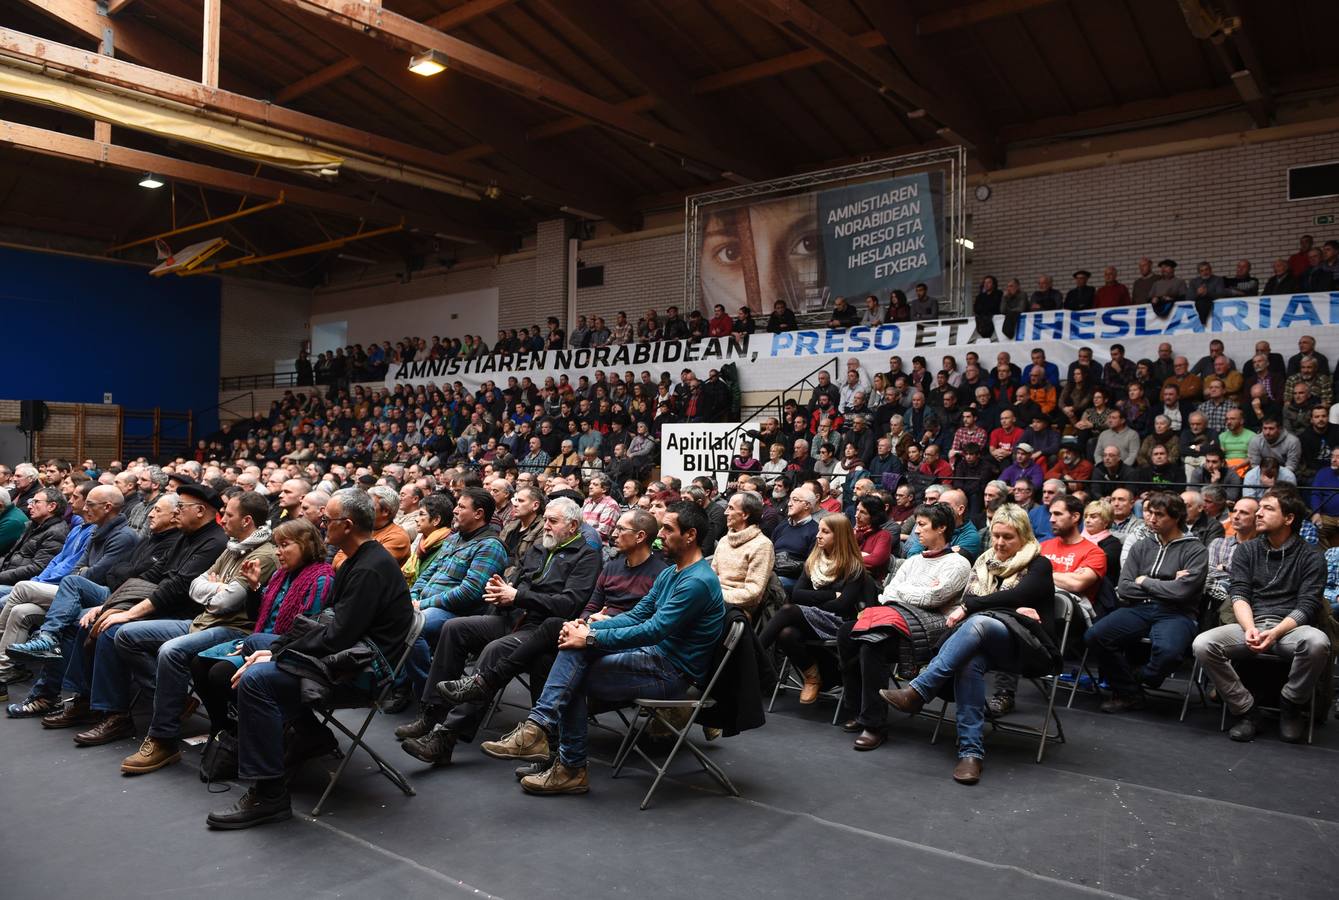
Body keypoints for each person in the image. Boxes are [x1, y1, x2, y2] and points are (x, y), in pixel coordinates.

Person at [477, 501, 724, 797]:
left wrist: (590, 638)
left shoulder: (697, 581)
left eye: (668, 530)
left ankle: (559, 754)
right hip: (651, 657)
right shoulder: (671, 573)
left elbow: (654, 629)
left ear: (690, 535)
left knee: (574, 666)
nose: (661, 536)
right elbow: (635, 615)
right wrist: (586, 629)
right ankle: (553, 749)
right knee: (572, 651)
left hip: (671, 672)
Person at [205, 488, 414, 829]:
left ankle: (269, 795)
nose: (321, 524)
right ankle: (306, 732)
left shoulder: (369, 568)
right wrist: (273, 650)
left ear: (346, 525)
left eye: (327, 520)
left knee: (257, 680)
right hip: (347, 653)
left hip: (360, 670)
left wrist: (278, 655)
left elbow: (337, 637)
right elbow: (328, 625)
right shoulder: (355, 559)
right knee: (256, 641)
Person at [435, 509, 669, 778]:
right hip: (590, 629)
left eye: (621, 529)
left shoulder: (658, 574)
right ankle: (552, 753)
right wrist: (581, 622)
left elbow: (646, 621)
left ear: (640, 536)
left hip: (620, 638)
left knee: (550, 627)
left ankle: (487, 684)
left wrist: (597, 622)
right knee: (543, 658)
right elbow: (592, 602)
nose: (614, 532)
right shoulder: (613, 565)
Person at [398, 497, 600, 766]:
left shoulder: (586, 555)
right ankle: (432, 713)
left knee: (495, 650)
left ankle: (445, 737)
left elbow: (569, 604)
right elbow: (517, 584)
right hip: (514, 617)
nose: (546, 527)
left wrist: (517, 596)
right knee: (454, 628)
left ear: (573, 525)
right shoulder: (540, 546)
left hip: (544, 627)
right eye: (547, 521)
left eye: (553, 522)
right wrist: (500, 591)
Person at [95, 492, 279, 772]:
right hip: (203, 620)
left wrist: (213, 589)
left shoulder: (263, 555)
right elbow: (196, 586)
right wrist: (214, 589)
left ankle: (163, 738)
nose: (223, 519)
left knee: (171, 651)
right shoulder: (232, 546)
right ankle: (175, 698)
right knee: (125, 634)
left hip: (231, 629)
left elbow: (225, 601)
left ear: (247, 520)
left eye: (228, 515)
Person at [879, 504, 1057, 784]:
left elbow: (1013, 595)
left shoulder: (1038, 564)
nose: (999, 542)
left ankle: (921, 688)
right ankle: (971, 753)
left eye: (1008, 537)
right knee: (969, 662)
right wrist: (1004, 608)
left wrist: (976, 606)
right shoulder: (984, 563)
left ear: (1024, 536)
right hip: (983, 646)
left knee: (980, 621)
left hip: (1027, 649)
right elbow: (1000, 602)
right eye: (996, 535)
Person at [1193, 490, 1330, 742]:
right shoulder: (1248, 550)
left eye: (1267, 508)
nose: (1258, 512)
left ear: (1288, 518)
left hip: (1289, 629)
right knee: (1203, 644)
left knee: (1318, 643)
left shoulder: (1311, 556)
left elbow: (1308, 605)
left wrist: (1275, 632)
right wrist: (1249, 629)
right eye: (1260, 508)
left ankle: (1290, 703)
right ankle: (1246, 710)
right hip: (1251, 625)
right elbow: (1239, 593)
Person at [188, 519, 334, 745]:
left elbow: (306, 630)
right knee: (198, 663)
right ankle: (225, 727)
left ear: (305, 544)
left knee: (220, 674)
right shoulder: (280, 576)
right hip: (257, 640)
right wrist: (255, 588)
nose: (278, 552)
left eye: (285, 545)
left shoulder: (321, 578)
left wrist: (261, 646)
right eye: (277, 545)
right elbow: (257, 616)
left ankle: (275, 724)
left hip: (287, 649)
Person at [837, 503, 971, 750]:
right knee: (847, 632)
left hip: (932, 626)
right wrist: (908, 593)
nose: (916, 531)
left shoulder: (958, 563)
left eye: (922, 525)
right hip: (897, 618)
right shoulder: (912, 561)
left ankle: (874, 725)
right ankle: (857, 708)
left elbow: (934, 597)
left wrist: (903, 592)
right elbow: (887, 593)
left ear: (941, 528)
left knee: (871, 645)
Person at [1084, 492, 1208, 713]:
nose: (1151, 519)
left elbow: (1183, 593)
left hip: (1177, 613)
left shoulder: (1195, 549)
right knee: (1096, 636)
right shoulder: (1142, 545)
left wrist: (1145, 581)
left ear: (1176, 517)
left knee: (1169, 652)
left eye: (1159, 515)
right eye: (1150, 513)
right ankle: (1129, 693)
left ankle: (1141, 678)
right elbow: (1124, 587)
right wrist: (1167, 584)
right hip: (1140, 608)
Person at [761, 514, 872, 703]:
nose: (818, 535)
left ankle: (750, 654)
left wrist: (812, 602)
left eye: (825, 532)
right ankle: (813, 677)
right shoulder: (814, 561)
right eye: (819, 530)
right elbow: (797, 594)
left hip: (839, 624)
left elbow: (842, 606)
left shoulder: (853, 568)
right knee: (786, 634)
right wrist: (830, 595)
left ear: (840, 536)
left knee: (789, 610)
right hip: (811, 620)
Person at [709, 491, 774, 615]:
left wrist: (714, 595)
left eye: (731, 508)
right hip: (712, 599)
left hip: (737, 609)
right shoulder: (724, 540)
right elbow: (712, 576)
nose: (725, 512)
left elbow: (753, 593)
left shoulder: (762, 545)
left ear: (745, 515)